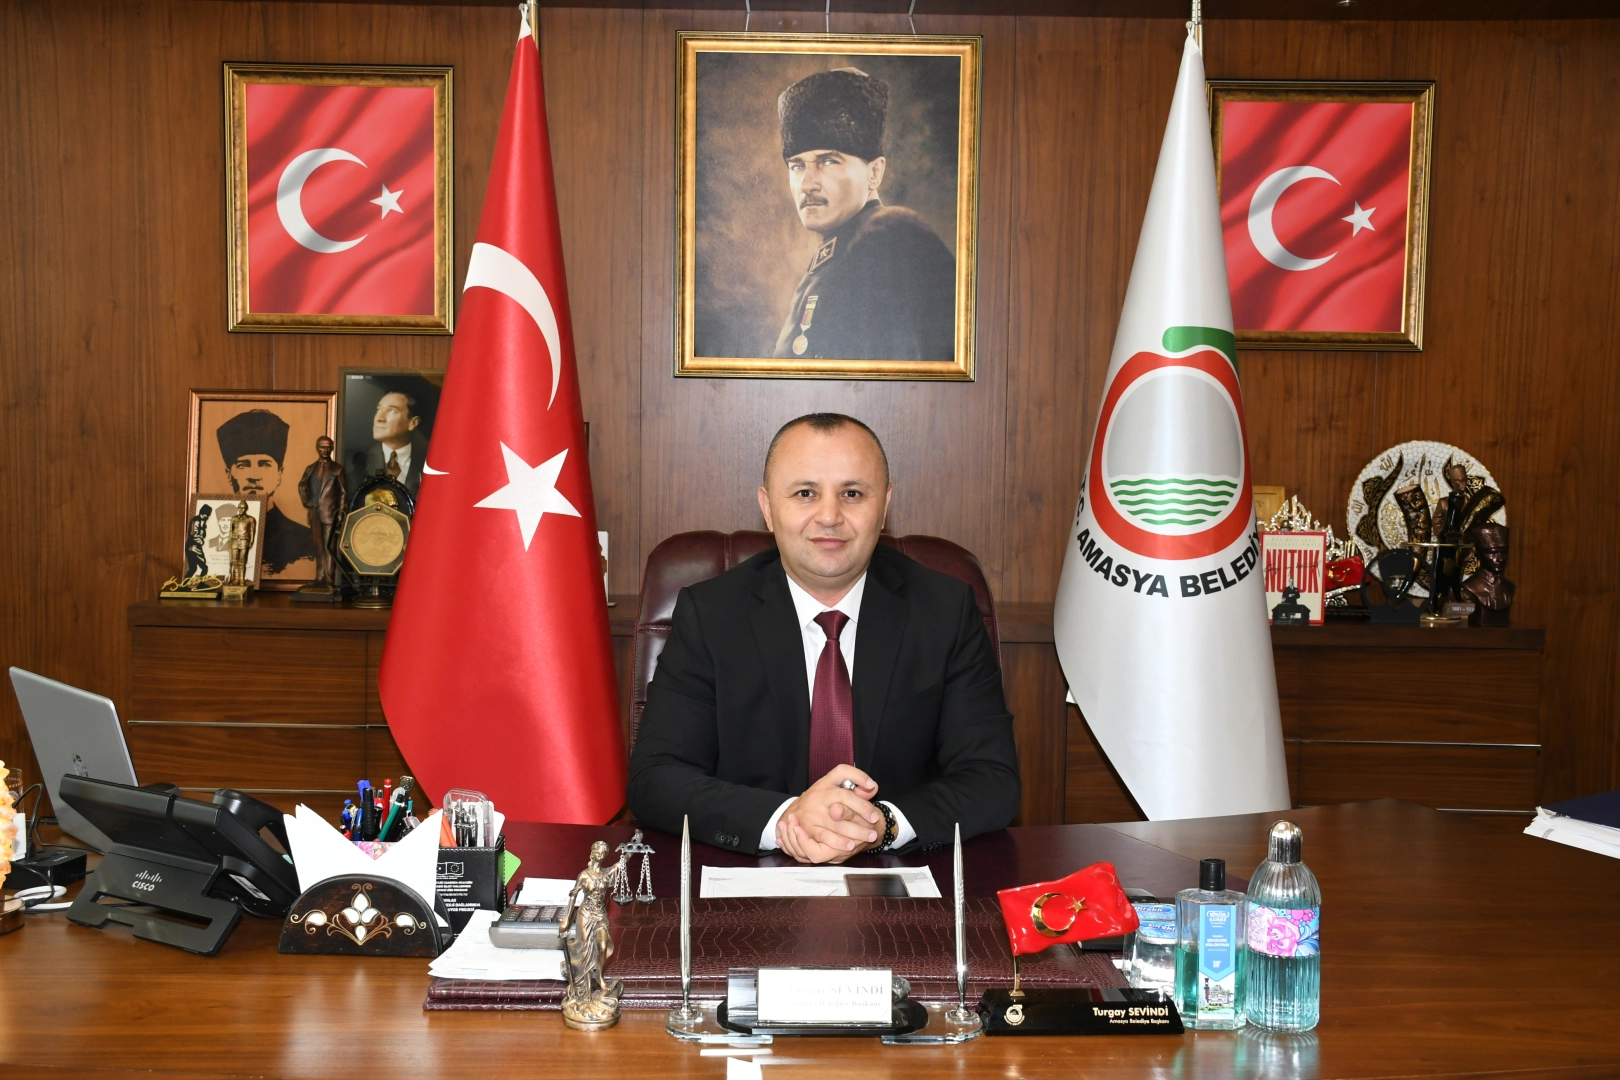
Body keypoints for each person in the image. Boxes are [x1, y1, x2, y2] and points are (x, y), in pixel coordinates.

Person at [627, 413, 1020, 864]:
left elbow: (992, 779)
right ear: (768, 508)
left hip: (898, 875)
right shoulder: (712, 614)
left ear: (885, 506)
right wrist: (786, 820)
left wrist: (882, 824)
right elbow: (656, 778)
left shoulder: (945, 610)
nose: (830, 516)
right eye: (805, 493)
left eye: (852, 494)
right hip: (749, 875)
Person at [771, 69, 956, 363]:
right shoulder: (841, 249)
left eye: (828, 161)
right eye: (797, 166)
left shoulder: (890, 234)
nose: (807, 184)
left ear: (874, 173)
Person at [216, 409, 315, 575]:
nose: (254, 476)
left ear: (279, 474)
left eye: (264, 464)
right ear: (229, 474)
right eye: (243, 465)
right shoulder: (209, 536)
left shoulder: (305, 540)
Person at [351, 391, 427, 498]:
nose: (379, 418)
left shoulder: (429, 463)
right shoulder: (357, 462)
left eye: (391, 410)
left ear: (413, 423)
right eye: (378, 410)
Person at [298, 435, 348, 588]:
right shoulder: (310, 468)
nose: (325, 450)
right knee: (318, 546)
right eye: (322, 447)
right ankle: (319, 576)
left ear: (332, 448)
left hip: (330, 514)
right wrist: (307, 501)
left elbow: (343, 492)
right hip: (314, 513)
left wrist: (340, 513)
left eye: (328, 447)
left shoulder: (337, 469)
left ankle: (329, 578)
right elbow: (302, 486)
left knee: (329, 546)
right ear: (317, 448)